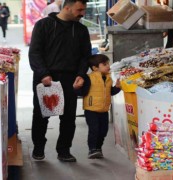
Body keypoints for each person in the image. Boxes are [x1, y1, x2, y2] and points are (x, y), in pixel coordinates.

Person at [29, 0, 91, 162]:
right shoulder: (43, 25)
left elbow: (85, 56)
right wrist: (43, 73)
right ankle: (38, 148)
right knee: (41, 115)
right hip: (46, 78)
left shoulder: (81, 30)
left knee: (69, 117)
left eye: (84, 10)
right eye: (79, 9)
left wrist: (81, 74)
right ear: (67, 8)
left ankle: (64, 150)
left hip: (70, 79)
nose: (82, 13)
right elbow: (35, 53)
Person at [74, 54, 121, 159]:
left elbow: (110, 92)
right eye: (104, 64)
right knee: (94, 129)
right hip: (91, 110)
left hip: (104, 110)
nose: (108, 66)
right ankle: (92, 149)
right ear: (95, 68)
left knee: (103, 130)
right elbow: (81, 92)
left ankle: (98, 148)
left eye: (108, 63)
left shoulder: (108, 78)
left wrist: (117, 88)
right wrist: (76, 88)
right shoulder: (89, 78)